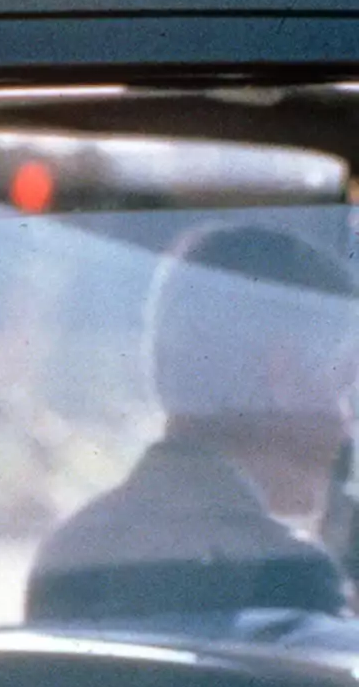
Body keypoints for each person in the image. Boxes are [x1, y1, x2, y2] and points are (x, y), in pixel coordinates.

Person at [25, 224, 359, 631]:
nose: (347, 428)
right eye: (342, 389)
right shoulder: (288, 572)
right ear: (283, 376)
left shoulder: (68, 553)